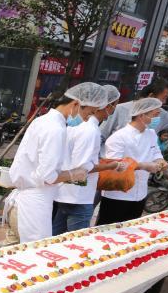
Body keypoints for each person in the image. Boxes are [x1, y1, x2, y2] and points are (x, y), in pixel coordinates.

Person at [4, 88, 90, 243]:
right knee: (32, 257)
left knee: (10, 256)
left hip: (24, 201)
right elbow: (47, 176)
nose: (86, 119)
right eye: (89, 113)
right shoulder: (55, 129)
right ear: (76, 104)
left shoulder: (43, 120)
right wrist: (72, 175)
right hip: (33, 206)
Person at [52, 83, 125, 234]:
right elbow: (84, 166)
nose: (113, 111)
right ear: (106, 105)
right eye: (114, 105)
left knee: (55, 239)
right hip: (79, 197)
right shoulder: (91, 131)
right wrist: (112, 166)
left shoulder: (74, 127)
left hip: (64, 192)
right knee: (76, 242)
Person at [97, 98, 168, 225]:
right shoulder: (119, 137)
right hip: (118, 194)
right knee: (108, 233)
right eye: (155, 115)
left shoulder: (151, 134)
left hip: (140, 194)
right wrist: (143, 166)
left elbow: (155, 152)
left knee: (130, 232)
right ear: (142, 115)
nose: (158, 118)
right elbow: (114, 165)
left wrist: (161, 161)